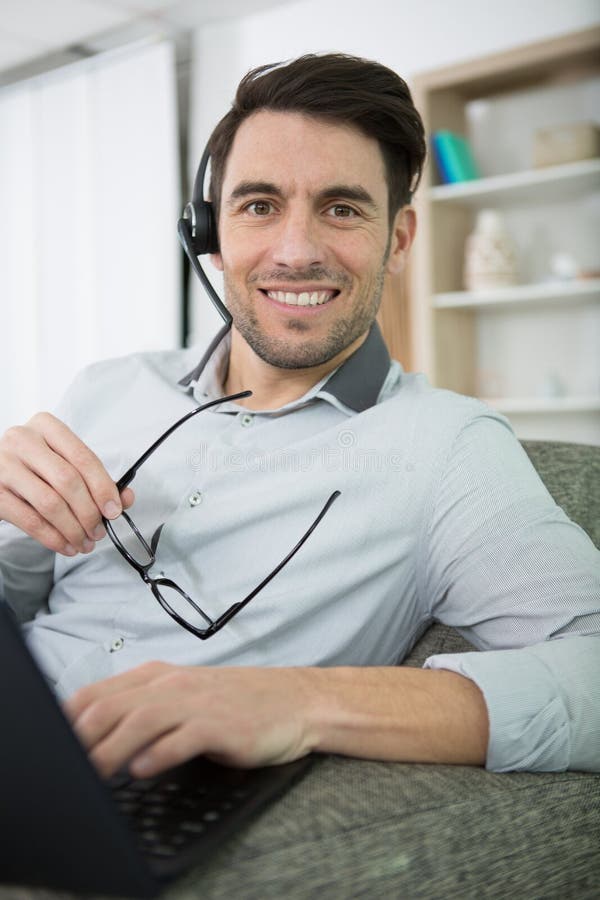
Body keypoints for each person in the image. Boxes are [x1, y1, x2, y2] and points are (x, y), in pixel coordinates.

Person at [0, 54, 598, 781]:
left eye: (342, 209)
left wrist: (303, 700)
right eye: (259, 206)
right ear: (209, 235)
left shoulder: (448, 448)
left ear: (398, 240)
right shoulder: (106, 388)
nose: (297, 251)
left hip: (131, 800)